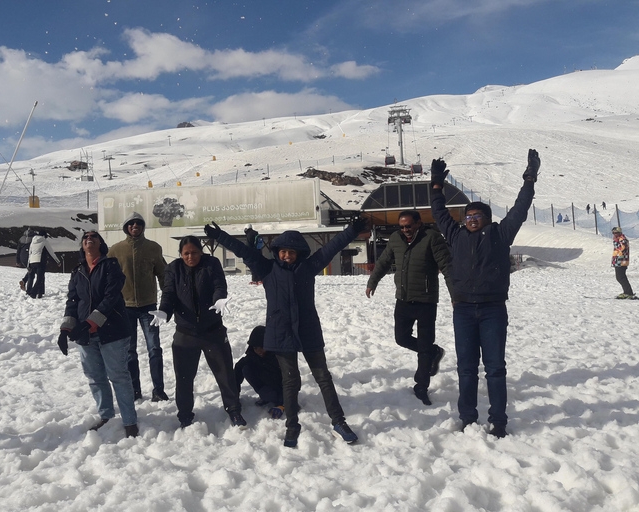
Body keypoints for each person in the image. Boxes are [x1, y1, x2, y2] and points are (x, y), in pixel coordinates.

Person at [205, 217, 368, 447]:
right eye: (283, 252)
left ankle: (339, 422)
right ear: (277, 252)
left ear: (299, 253)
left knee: (323, 377)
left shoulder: (308, 267)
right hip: (280, 332)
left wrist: (353, 230)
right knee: (290, 382)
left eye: (292, 252)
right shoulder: (267, 269)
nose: (287, 256)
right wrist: (219, 236)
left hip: (308, 330)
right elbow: (243, 251)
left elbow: (332, 247)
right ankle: (292, 426)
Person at [429, 150, 539, 439]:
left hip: (492, 310)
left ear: (487, 219)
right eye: (468, 216)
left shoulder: (501, 234)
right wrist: (436, 185)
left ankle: (498, 420)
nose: (472, 219)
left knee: (495, 369)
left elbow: (520, 208)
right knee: (466, 369)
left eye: (477, 215)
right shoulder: (455, 235)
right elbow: (439, 213)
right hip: (463, 310)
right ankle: (467, 418)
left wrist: (529, 180)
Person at [149, 235, 246, 429]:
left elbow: (219, 285)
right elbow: (168, 294)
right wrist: (164, 311)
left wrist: (219, 298)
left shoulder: (211, 264)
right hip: (185, 333)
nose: (190, 256)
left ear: (201, 252)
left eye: (194, 252)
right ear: (181, 254)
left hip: (213, 331)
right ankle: (185, 415)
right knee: (183, 378)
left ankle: (234, 410)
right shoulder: (174, 269)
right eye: (186, 253)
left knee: (225, 374)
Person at [365, 210, 453, 406]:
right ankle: (434, 352)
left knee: (423, 347)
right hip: (403, 300)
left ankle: (421, 386)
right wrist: (373, 282)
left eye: (409, 226)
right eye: (402, 226)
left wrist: (456, 295)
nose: (405, 230)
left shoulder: (432, 238)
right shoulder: (396, 239)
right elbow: (384, 262)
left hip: (426, 301)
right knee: (401, 338)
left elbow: (447, 267)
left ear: (419, 223)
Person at [58, 230, 139, 438]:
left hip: (113, 332)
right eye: (85, 237)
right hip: (86, 334)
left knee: (118, 376)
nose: (88, 239)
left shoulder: (110, 266)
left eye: (93, 237)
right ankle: (106, 416)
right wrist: (65, 328)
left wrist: (91, 321)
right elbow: (73, 301)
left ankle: (130, 421)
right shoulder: (77, 271)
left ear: (100, 244)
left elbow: (111, 297)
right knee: (95, 377)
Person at [107, 212, 168, 402]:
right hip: (125, 308)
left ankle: (158, 390)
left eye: (139, 223)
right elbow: (107, 278)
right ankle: (135, 390)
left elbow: (164, 275)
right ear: (126, 227)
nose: (135, 226)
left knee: (155, 349)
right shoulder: (115, 250)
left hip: (149, 307)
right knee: (130, 351)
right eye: (131, 223)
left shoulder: (153, 248)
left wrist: (168, 300)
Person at [234, 325, 285, 418]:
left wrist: (282, 404)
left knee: (273, 393)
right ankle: (267, 397)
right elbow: (237, 371)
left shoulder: (279, 357)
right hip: (267, 390)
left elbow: (293, 380)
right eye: (256, 348)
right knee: (246, 368)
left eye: (262, 347)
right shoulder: (252, 356)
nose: (259, 351)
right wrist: (234, 398)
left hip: (283, 390)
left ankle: (276, 399)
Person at [26, 230, 60, 298]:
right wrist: (58, 261)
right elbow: (51, 252)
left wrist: (28, 264)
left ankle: (40, 293)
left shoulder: (32, 242)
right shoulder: (44, 241)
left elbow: (30, 253)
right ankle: (33, 293)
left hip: (32, 262)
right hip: (40, 262)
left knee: (40, 278)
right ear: (44, 236)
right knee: (40, 279)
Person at [611, 227, 635, 299]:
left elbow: (622, 248)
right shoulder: (620, 239)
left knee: (621, 277)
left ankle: (628, 293)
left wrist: (615, 241)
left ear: (620, 233)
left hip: (621, 262)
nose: (615, 235)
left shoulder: (622, 239)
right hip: (619, 261)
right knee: (620, 277)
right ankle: (627, 292)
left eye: (616, 233)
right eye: (613, 233)